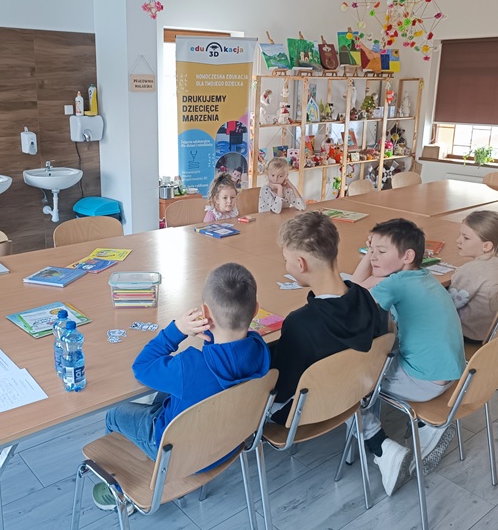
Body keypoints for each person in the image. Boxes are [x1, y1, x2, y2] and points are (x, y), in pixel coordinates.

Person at [93, 262, 271, 510]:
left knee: (114, 414)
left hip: (178, 456)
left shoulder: (188, 367)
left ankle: (117, 490)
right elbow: (228, 357)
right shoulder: (260, 350)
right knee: (166, 394)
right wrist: (212, 334)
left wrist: (177, 330)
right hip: (227, 444)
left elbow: (141, 366)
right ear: (256, 310)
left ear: (205, 313)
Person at [351, 218, 465, 497]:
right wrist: (374, 255)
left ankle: (379, 445)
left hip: (423, 382)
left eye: (380, 251)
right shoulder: (423, 276)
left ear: (407, 256)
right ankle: (425, 427)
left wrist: (368, 268)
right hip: (450, 375)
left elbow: (352, 296)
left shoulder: (395, 284)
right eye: (370, 250)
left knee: (348, 384)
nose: (372, 257)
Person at [270, 211, 389, 425]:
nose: (286, 265)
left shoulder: (299, 324)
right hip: (351, 392)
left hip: (304, 411)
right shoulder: (366, 299)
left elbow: (282, 389)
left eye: (286, 260)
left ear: (301, 264)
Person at [449, 210, 498, 343]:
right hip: (495, 333)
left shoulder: (472, 270)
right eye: (460, 235)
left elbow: (449, 305)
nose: (458, 240)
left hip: (470, 335)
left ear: (486, 246)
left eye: (466, 238)